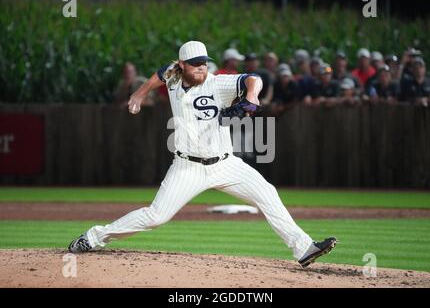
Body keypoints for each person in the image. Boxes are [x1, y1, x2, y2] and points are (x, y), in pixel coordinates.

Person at [68, 40, 337, 268]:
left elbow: (253, 79)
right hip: (187, 168)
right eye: (195, 63)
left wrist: (252, 97)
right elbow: (160, 74)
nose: (201, 67)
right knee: (156, 216)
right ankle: (94, 237)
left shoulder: (216, 83)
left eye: (204, 62)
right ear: (182, 64)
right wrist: (138, 94)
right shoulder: (173, 76)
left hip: (225, 164)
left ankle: (303, 248)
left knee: (267, 192)